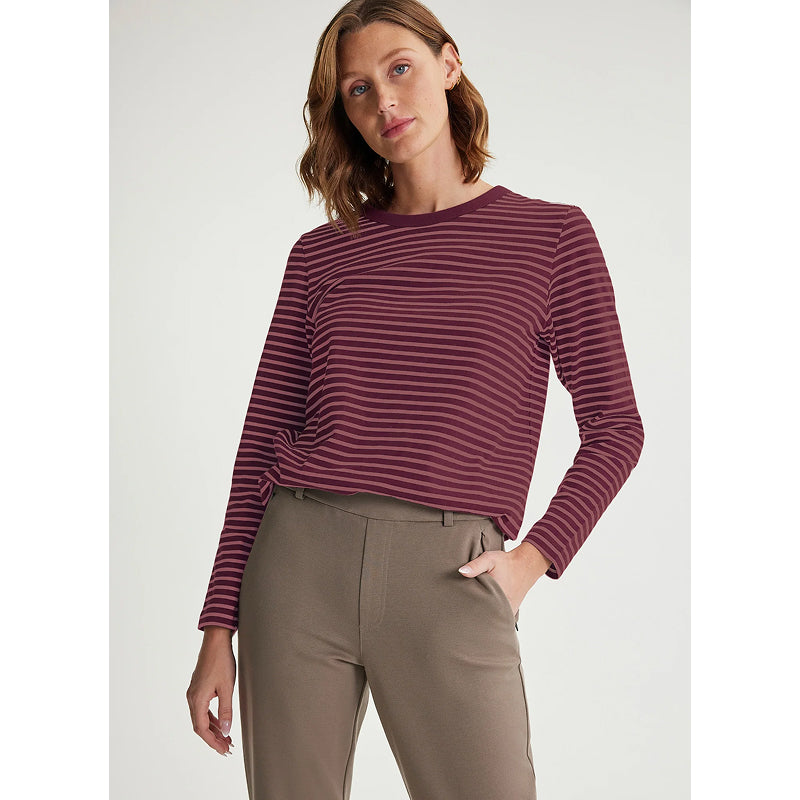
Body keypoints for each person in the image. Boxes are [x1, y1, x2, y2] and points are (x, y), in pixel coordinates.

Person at [186, 1, 645, 797]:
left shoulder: (551, 237)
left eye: (400, 68)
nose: (385, 101)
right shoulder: (321, 255)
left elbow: (615, 426)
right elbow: (261, 441)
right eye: (358, 89)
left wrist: (530, 561)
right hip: (297, 568)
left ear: (449, 64)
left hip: (450, 574)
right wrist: (217, 626)